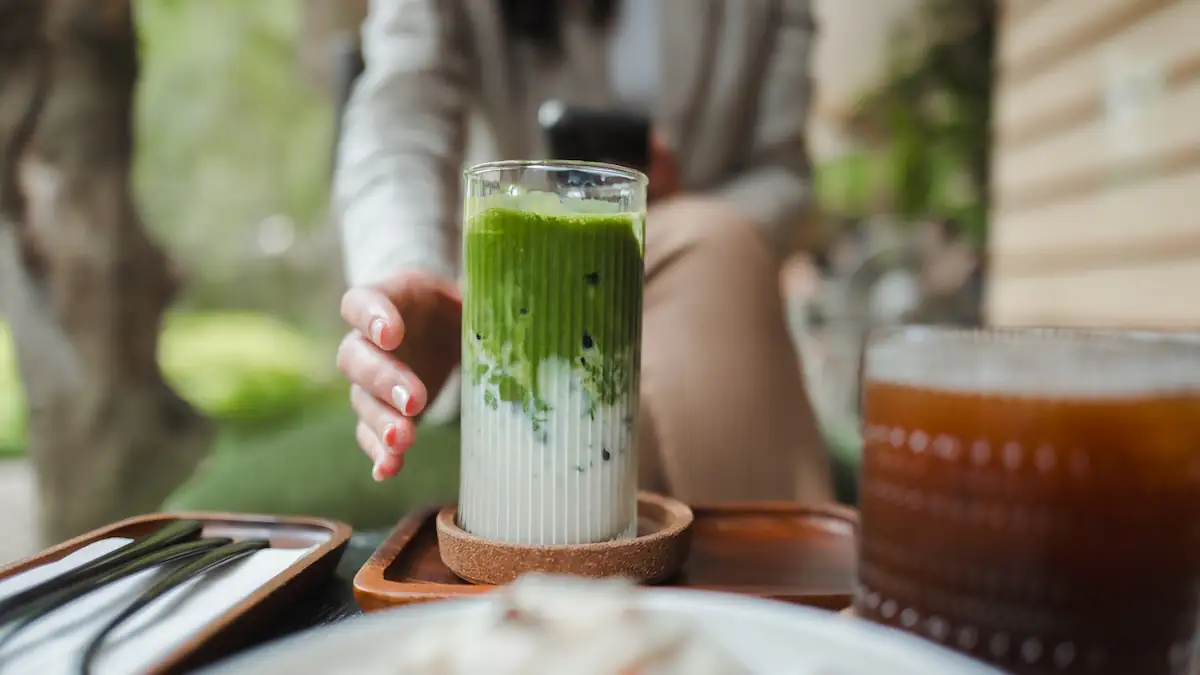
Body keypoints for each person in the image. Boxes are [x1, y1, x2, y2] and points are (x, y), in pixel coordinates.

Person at [334, 0, 833, 502]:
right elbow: (400, 112)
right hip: (521, 307)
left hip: (698, 273)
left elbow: (782, 174)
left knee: (713, 249)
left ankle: (559, 571)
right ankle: (771, 568)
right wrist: (408, 270)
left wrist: (672, 213)